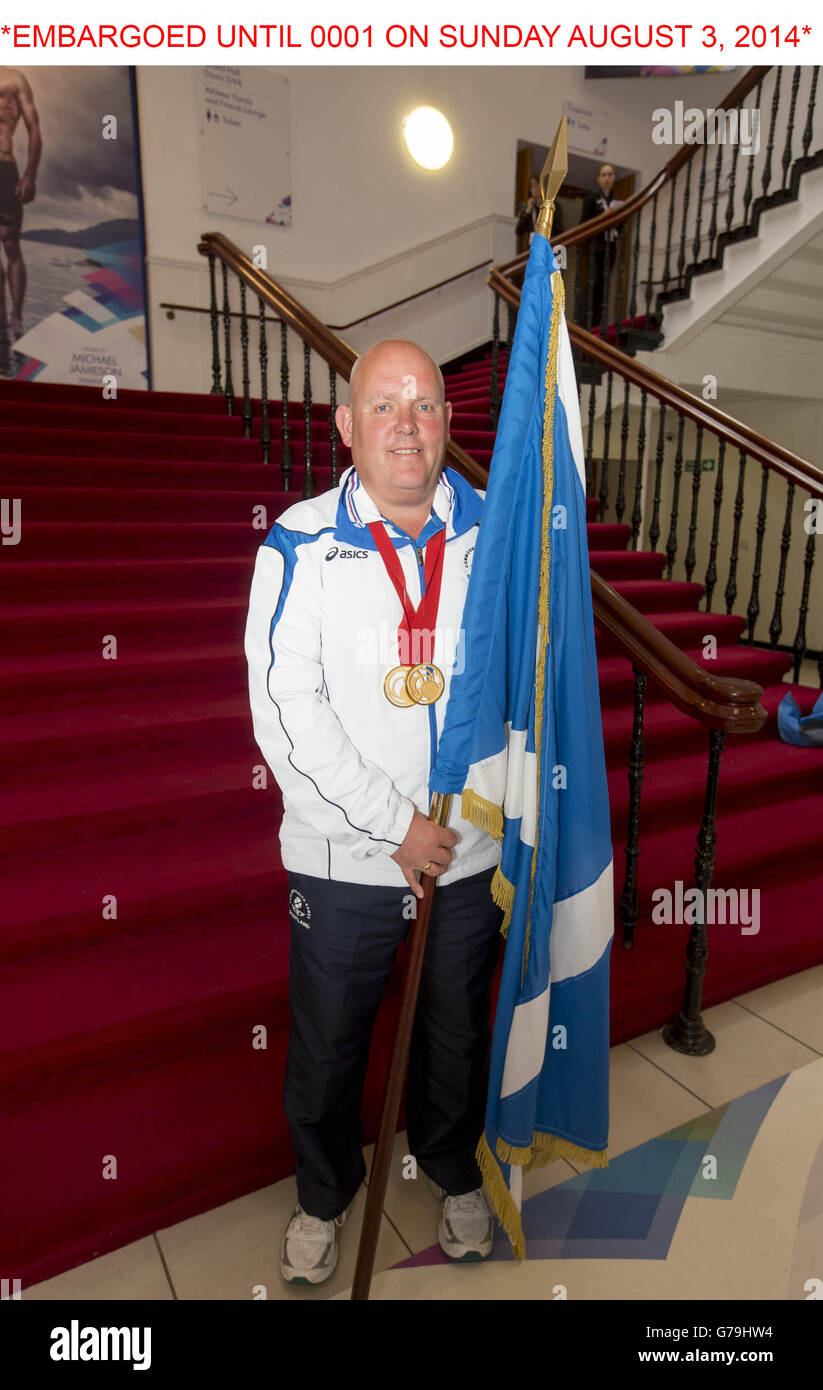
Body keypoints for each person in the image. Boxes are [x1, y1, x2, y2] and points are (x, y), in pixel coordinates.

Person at [244, 338, 504, 1286]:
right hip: (342, 858)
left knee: (453, 1033)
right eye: (384, 405)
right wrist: (394, 826)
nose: (406, 423)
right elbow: (285, 711)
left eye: (425, 405)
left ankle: (448, 1166)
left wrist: (474, 818)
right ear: (347, 427)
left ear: (446, 424)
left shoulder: (494, 536)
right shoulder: (299, 543)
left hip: (467, 850)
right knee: (326, 1045)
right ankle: (323, 1192)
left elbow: (522, 688)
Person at [0, 67, 41, 341]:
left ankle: (17, 316)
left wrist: (30, 174)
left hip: (4, 165)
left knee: (10, 242)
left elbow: (34, 128)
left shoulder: (14, 79)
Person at [579, 162, 622, 328]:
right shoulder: (591, 200)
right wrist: (603, 217)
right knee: (593, 283)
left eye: (610, 174)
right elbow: (584, 224)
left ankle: (597, 323)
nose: (607, 178)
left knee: (604, 286)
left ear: (614, 178)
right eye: (604, 175)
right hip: (595, 248)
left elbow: (620, 226)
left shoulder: (616, 201)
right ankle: (583, 321)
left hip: (610, 247)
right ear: (598, 179)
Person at [515, 173, 563, 245]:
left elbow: (559, 230)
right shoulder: (526, 206)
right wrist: (528, 210)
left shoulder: (554, 205)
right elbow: (519, 231)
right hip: (532, 248)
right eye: (532, 186)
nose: (535, 188)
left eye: (538, 185)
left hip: (548, 246)